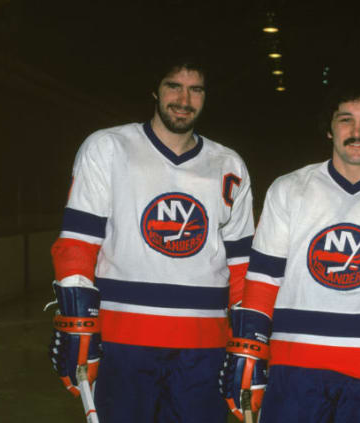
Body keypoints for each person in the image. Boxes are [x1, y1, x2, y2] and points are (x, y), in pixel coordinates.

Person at [46, 54, 255, 423]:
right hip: (123, 344)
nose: (184, 100)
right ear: (154, 91)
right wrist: (77, 320)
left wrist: (248, 342)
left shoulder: (230, 165)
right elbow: (77, 244)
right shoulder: (108, 148)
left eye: (195, 90)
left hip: (203, 347)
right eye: (174, 86)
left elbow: (241, 266)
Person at [218, 81, 360, 423]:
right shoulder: (289, 189)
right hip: (295, 368)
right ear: (329, 129)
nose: (357, 131)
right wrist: (249, 346)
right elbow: (263, 278)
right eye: (346, 120)